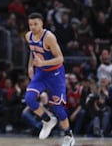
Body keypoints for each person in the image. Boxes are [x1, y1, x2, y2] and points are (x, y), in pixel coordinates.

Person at [24, 12, 75, 146]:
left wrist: (42, 64)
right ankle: (47, 119)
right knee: (29, 98)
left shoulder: (49, 37)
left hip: (55, 74)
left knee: (58, 109)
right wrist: (30, 66)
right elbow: (33, 51)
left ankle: (68, 135)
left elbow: (60, 58)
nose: (33, 27)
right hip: (41, 73)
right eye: (30, 24)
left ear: (42, 23)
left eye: (35, 24)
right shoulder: (28, 36)